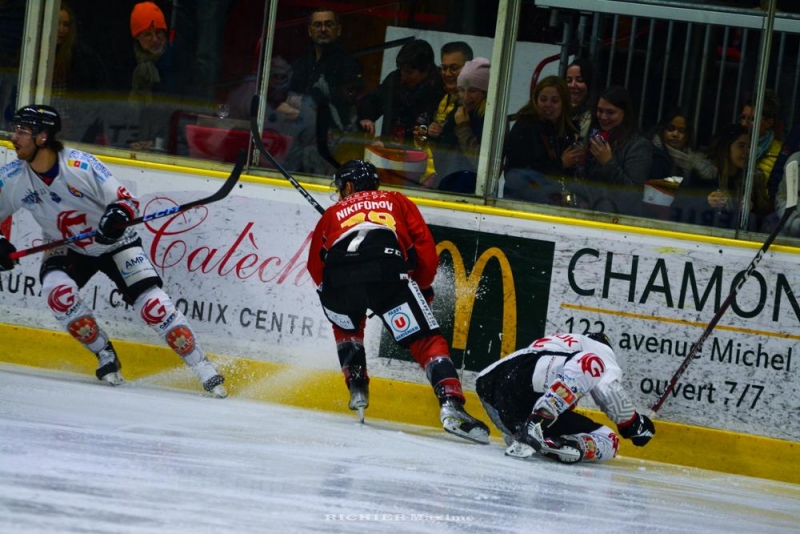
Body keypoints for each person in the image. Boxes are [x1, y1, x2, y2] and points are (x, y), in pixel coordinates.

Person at [0, 105, 227, 398]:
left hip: (116, 243)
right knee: (58, 294)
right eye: (15, 130)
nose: (13, 137)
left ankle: (202, 366)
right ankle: (104, 354)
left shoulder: (81, 166)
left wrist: (116, 217)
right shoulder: (12, 178)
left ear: (43, 137)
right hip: (67, 247)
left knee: (154, 308)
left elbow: (126, 201)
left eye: (22, 132)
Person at [306, 159, 490, 444]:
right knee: (426, 341)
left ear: (350, 186)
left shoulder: (332, 213)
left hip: (339, 283)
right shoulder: (396, 201)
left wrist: (333, 300)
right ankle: (451, 404)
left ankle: (356, 386)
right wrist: (421, 287)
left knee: (347, 326)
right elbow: (425, 251)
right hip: (386, 274)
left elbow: (315, 268)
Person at [476, 332, 655, 464]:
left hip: (494, 394)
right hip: (521, 374)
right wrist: (633, 422)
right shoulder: (596, 345)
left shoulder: (560, 344)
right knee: (591, 363)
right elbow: (607, 387)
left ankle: (565, 444)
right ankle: (535, 424)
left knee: (609, 439)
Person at [670, 123, 771, 230]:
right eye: (741, 146)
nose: (747, 152)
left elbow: (765, 219)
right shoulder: (701, 175)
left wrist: (752, 209)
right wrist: (705, 202)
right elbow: (676, 209)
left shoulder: (752, 180)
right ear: (725, 148)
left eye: (750, 147)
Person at [503, 76, 584, 206]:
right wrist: (560, 163)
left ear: (564, 103)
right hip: (521, 199)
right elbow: (522, 169)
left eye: (554, 101)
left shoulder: (569, 129)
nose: (548, 105)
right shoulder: (525, 127)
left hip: (551, 198)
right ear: (535, 100)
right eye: (543, 99)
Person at [277, 8, 362, 123]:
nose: (323, 29)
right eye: (317, 25)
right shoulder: (301, 63)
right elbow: (283, 99)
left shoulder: (348, 65)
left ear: (338, 30)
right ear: (309, 31)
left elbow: (339, 109)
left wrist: (300, 109)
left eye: (329, 24)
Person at [358, 39, 445, 148]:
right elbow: (372, 100)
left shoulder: (441, 87)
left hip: (424, 156)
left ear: (426, 69)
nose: (403, 77)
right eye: (402, 70)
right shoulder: (395, 79)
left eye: (409, 73)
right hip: (390, 150)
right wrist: (366, 117)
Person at [583, 85, 653, 217]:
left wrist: (608, 162)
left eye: (610, 112)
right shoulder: (596, 137)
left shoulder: (638, 146)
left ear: (624, 113)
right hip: (589, 212)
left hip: (619, 221)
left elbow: (632, 195)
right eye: (600, 111)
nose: (603, 117)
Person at [51, 3, 110, 144]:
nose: (61, 29)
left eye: (66, 25)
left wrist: (73, 123)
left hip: (75, 129)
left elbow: (92, 97)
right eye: (56, 23)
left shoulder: (82, 57)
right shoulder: (33, 53)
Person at [415, 41, 473, 183]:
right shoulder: (438, 94)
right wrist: (423, 133)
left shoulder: (473, 104)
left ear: (468, 68)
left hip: (456, 180)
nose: (447, 74)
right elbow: (421, 129)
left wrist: (442, 133)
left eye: (454, 68)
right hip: (426, 176)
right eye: (444, 68)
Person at [431, 57, 491, 193]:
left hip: (472, 192)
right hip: (447, 185)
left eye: (472, 91)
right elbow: (441, 161)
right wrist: (436, 135)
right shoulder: (457, 112)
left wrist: (463, 128)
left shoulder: (490, 120)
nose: (466, 97)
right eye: (461, 90)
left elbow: (483, 166)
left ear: (485, 92)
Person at [128, 1, 175, 151]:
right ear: (137, 38)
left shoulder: (176, 66)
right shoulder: (127, 66)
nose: (155, 40)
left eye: (159, 33)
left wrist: (158, 142)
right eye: (148, 34)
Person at [648, 109, 717, 182]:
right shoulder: (653, 154)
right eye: (671, 129)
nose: (675, 134)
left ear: (688, 135)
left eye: (681, 131)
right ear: (662, 130)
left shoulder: (694, 162)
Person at [740, 90, 783, 201]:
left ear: (769, 123)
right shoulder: (732, 144)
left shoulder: (779, 153)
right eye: (742, 118)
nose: (744, 124)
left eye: (752, 119)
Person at [564, 58, 598, 143]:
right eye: (568, 80)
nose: (572, 85)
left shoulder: (598, 115)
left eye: (580, 80)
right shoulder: (558, 110)